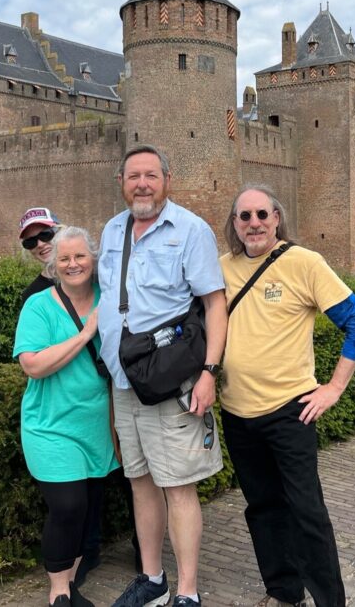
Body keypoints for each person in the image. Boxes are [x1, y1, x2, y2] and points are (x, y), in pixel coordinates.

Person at [218, 185, 355, 607]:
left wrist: (334, 388)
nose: (254, 223)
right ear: (234, 223)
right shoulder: (222, 268)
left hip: (291, 411)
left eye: (262, 215)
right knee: (263, 507)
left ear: (277, 218)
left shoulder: (305, 263)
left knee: (307, 511)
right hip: (236, 412)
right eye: (244, 216)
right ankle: (284, 592)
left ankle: (329, 600)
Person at [97, 145, 227, 607]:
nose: (142, 184)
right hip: (125, 382)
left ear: (167, 180)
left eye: (151, 175)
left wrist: (210, 371)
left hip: (171, 381)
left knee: (178, 486)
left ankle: (187, 591)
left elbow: (214, 304)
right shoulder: (113, 230)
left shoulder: (191, 230)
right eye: (134, 176)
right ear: (121, 181)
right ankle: (153, 579)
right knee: (141, 482)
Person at [17, 208, 141, 585]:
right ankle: (60, 591)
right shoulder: (37, 304)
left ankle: (75, 580)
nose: (73, 264)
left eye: (80, 257)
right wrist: (86, 334)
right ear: (54, 265)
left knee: (89, 505)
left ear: (94, 259)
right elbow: (33, 365)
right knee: (68, 507)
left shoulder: (112, 297)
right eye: (65, 258)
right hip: (54, 425)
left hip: (102, 425)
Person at [19, 207, 60, 303]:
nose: (40, 244)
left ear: (59, 232)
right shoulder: (32, 296)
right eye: (31, 242)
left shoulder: (91, 275)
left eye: (45, 235)